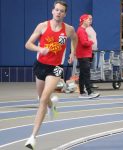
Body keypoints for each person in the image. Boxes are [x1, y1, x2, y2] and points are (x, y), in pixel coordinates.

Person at [24, 1, 78, 149]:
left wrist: (73, 52)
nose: (58, 12)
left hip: (56, 68)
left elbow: (75, 38)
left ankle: (32, 137)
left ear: (65, 14)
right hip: (40, 65)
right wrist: (39, 49)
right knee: (42, 98)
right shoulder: (42, 26)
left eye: (61, 11)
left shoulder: (68, 29)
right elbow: (28, 44)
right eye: (56, 10)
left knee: (43, 100)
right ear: (52, 11)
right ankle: (51, 104)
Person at [76, 14, 100, 99]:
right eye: (87, 19)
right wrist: (91, 42)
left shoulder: (81, 30)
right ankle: (89, 92)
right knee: (86, 74)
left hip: (83, 55)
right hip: (83, 55)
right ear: (83, 21)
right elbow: (84, 43)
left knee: (83, 74)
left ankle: (82, 92)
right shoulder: (81, 30)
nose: (89, 20)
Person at [86, 14, 99, 88]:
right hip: (88, 51)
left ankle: (92, 82)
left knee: (93, 67)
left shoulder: (91, 28)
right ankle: (88, 83)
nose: (90, 20)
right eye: (89, 19)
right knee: (88, 67)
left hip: (94, 51)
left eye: (91, 19)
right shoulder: (84, 29)